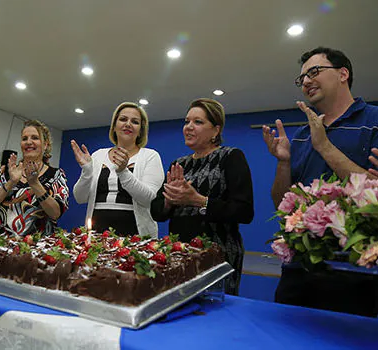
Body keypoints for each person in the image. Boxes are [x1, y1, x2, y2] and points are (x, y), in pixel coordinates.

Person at [262, 47, 378, 317]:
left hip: (357, 273)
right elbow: (281, 205)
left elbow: (373, 194)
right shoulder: (301, 135)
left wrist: (324, 146)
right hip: (299, 269)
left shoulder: (374, 122)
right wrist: (283, 162)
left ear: (343, 74)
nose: (305, 82)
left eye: (314, 72)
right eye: (301, 78)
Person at [151, 98, 254, 295]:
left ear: (216, 130)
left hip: (218, 257)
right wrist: (168, 201)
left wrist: (198, 200)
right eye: (187, 121)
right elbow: (157, 211)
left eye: (198, 122)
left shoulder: (231, 157)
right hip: (179, 255)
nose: (189, 127)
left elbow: (244, 211)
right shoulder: (179, 164)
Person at [71, 102, 164, 237]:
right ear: (114, 126)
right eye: (123, 119)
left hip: (136, 235)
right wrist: (86, 170)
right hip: (98, 235)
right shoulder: (98, 155)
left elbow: (150, 200)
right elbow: (80, 198)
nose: (128, 124)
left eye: (135, 122)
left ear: (140, 130)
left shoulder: (150, 156)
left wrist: (123, 172)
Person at [0, 120, 69, 237]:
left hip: (38, 249)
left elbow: (55, 213)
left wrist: (35, 184)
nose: (29, 142)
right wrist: (11, 182)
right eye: (24, 139)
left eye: (35, 138)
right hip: (2, 246)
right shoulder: (6, 171)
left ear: (45, 145)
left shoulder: (56, 175)